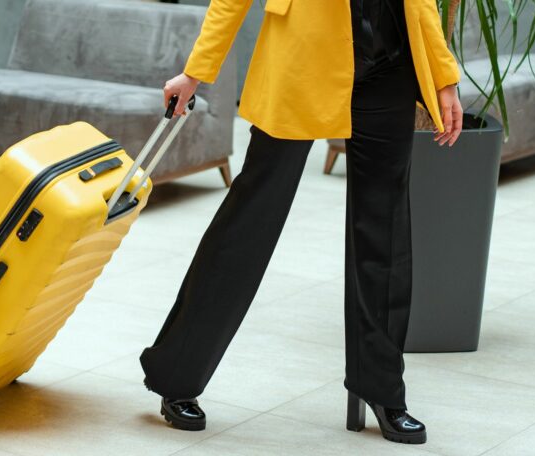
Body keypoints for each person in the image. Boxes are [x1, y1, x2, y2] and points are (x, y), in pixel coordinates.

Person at [139, 0, 463, 445]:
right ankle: (176, 375)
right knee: (249, 220)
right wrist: (195, 71)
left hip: (389, 67)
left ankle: (382, 389)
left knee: (385, 232)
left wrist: (443, 78)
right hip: (303, 61)